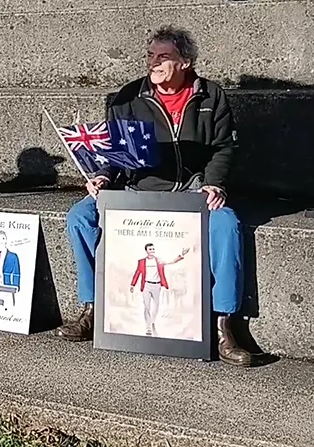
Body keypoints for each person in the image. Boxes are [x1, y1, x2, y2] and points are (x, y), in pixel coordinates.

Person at [55, 26, 251, 367]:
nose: (154, 63)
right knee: (80, 216)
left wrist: (214, 184)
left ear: (185, 62)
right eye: (150, 56)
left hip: (191, 191)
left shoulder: (211, 96)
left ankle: (223, 324)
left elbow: (224, 148)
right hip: (137, 192)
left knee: (227, 224)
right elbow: (113, 153)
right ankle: (92, 308)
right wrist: (101, 176)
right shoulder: (128, 97)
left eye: (164, 56)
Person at [130, 243, 189, 336]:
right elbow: (137, 273)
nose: (152, 251)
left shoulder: (159, 260)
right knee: (146, 307)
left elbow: (172, 261)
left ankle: (152, 321)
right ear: (146, 251)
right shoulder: (141, 262)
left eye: (153, 249)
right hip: (146, 285)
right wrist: (132, 285)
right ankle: (148, 327)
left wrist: (182, 255)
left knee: (156, 306)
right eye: (150, 249)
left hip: (157, 285)